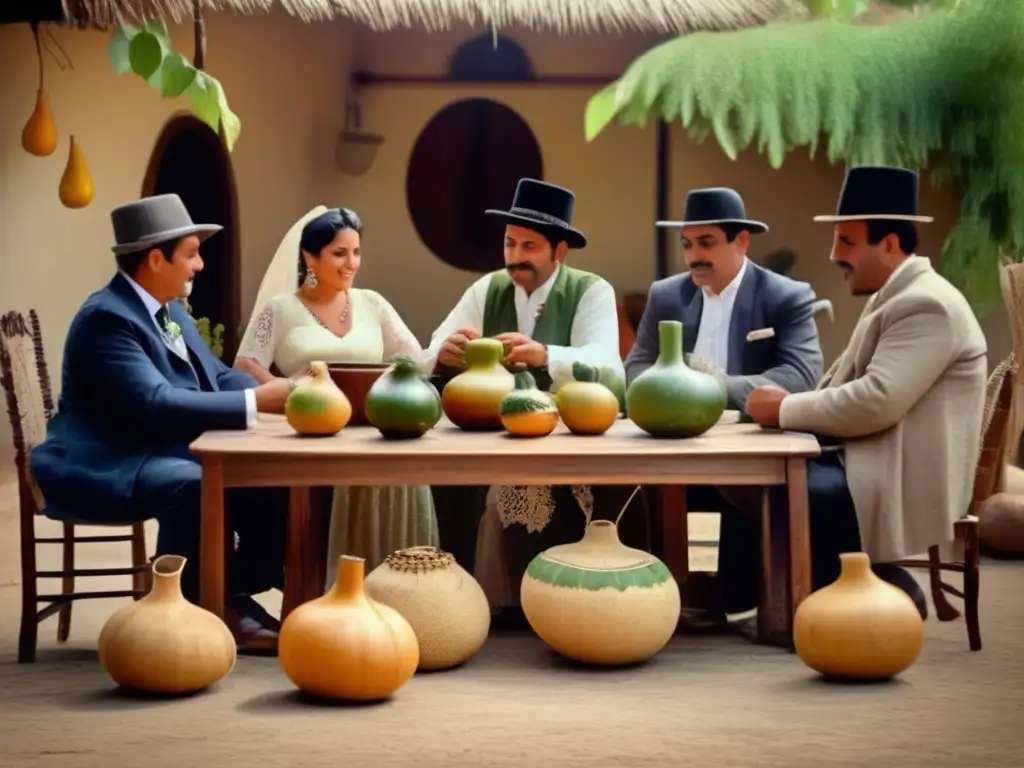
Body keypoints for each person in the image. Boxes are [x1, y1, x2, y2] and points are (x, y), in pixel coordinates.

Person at [29, 193, 293, 653]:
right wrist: (256, 402)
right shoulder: (106, 319)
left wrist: (282, 389)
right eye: (191, 254)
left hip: (156, 447)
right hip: (108, 458)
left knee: (271, 476)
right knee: (192, 482)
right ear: (156, 258)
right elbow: (154, 404)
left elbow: (216, 374)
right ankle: (190, 609)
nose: (200, 266)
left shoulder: (168, 310)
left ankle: (228, 593)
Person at [743, 165, 988, 620]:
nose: (835, 255)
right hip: (868, 454)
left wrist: (785, 407)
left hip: (898, 473)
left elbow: (876, 401)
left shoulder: (926, 304)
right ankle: (778, 600)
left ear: (890, 244)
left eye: (847, 242)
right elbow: (849, 387)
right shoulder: (896, 294)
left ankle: (855, 596)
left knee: (787, 485)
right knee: (765, 473)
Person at [423, 178, 627, 627]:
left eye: (529, 246)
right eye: (509, 243)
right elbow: (432, 349)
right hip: (490, 433)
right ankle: (465, 604)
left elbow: (609, 367)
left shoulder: (592, 291)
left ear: (560, 251)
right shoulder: (487, 289)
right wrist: (445, 350)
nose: (515, 256)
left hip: (567, 436)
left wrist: (547, 355)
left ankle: (553, 605)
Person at [624, 187, 825, 630]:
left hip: (751, 440)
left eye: (707, 243)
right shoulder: (666, 295)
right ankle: (657, 597)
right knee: (627, 486)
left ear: (742, 242)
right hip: (674, 439)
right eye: (688, 244)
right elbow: (636, 366)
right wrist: (668, 395)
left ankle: (749, 598)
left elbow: (799, 375)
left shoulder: (785, 295)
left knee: (751, 492)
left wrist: (705, 389)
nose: (694, 255)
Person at [234, 206, 438, 578]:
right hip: (311, 438)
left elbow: (417, 360)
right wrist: (284, 391)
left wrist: (449, 349)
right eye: (339, 253)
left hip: (371, 435)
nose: (351, 263)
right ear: (310, 257)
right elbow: (245, 364)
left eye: (356, 252)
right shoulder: (280, 309)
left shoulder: (372, 303)